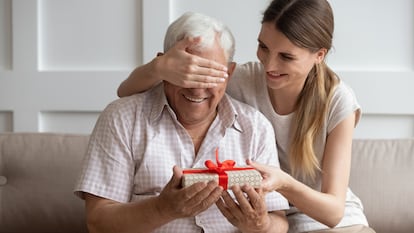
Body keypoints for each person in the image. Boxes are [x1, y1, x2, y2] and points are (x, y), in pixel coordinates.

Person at [116, 0, 376, 233]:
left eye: (286, 57)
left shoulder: (338, 100)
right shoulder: (243, 78)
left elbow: (333, 212)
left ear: (319, 55)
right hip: (274, 219)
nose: (270, 66)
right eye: (263, 47)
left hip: (330, 222)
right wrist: (160, 67)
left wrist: (283, 183)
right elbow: (126, 92)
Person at [74, 12, 289, 233]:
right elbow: (98, 222)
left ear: (229, 73)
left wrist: (261, 226)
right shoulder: (123, 119)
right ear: (163, 65)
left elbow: (279, 222)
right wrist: (162, 209)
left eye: (209, 75)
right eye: (186, 73)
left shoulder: (255, 127)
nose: (197, 88)